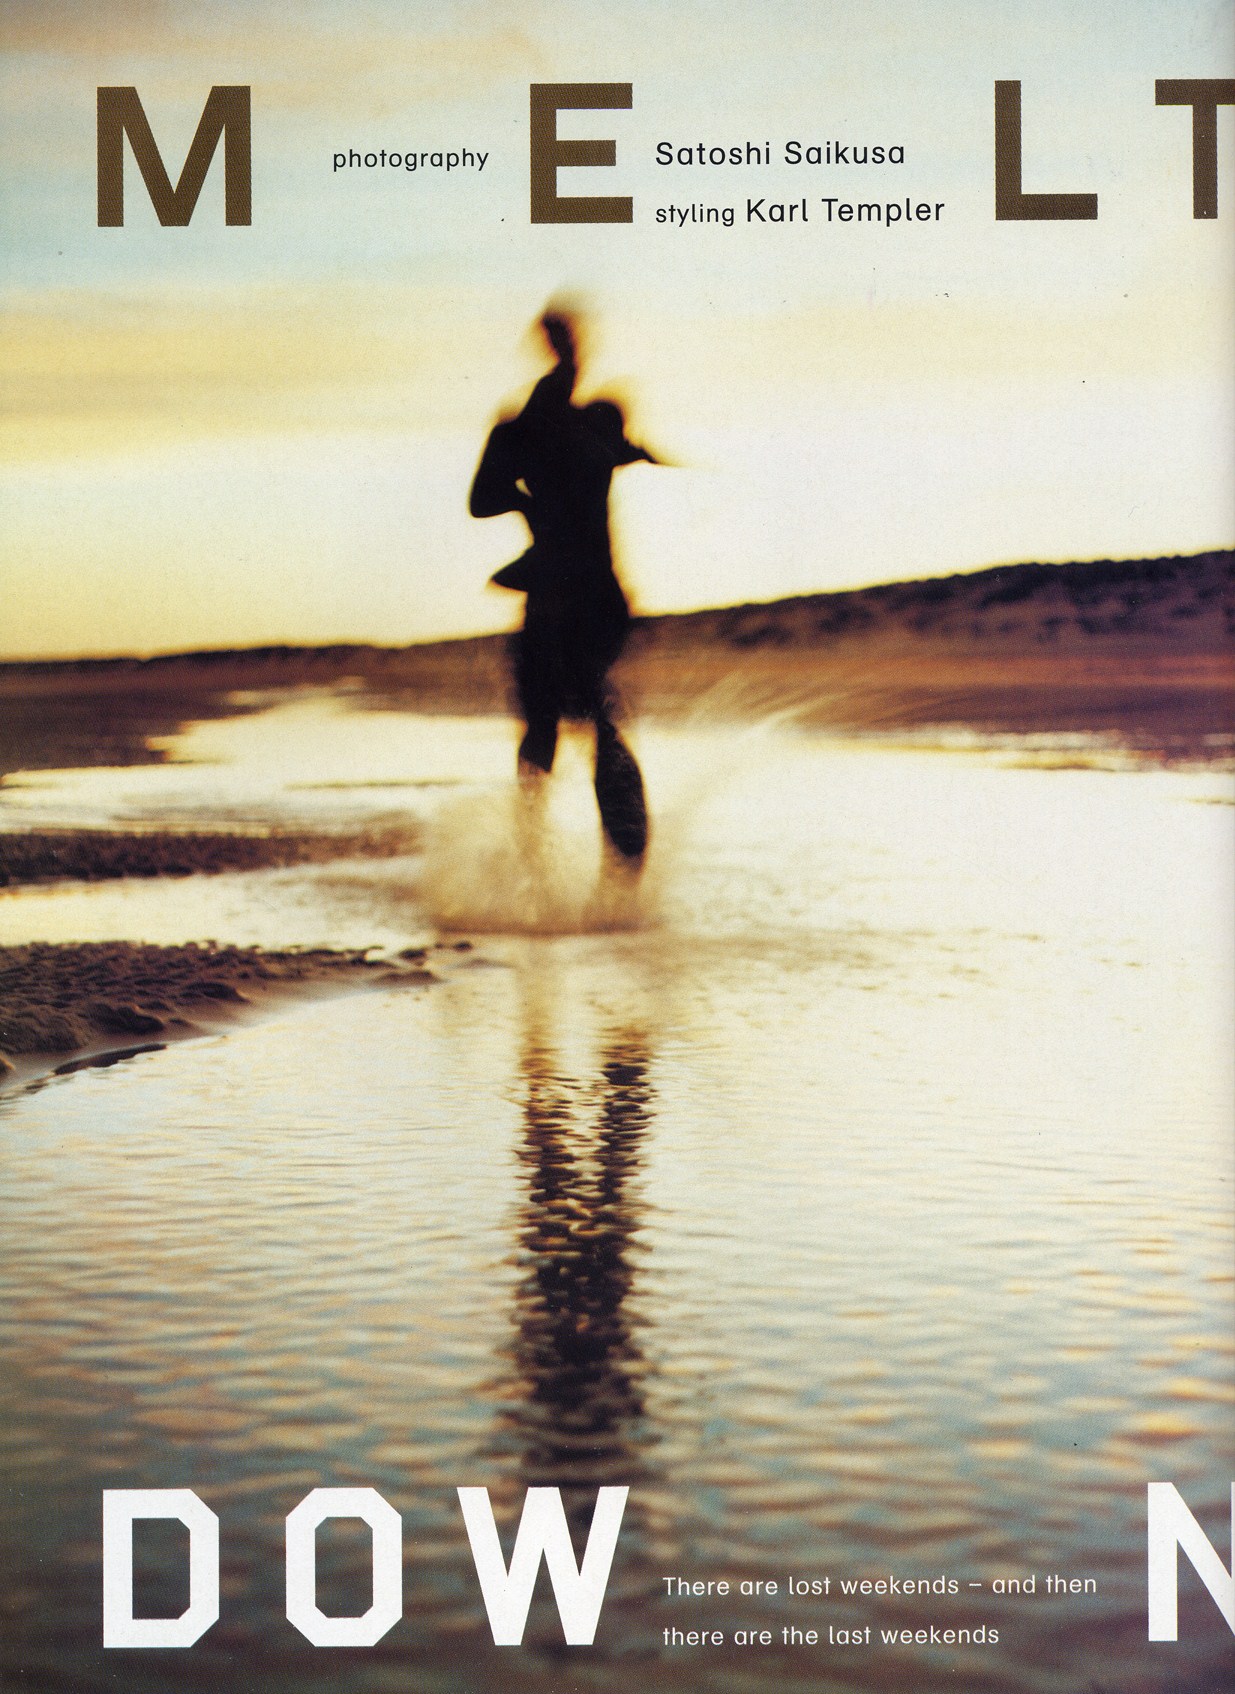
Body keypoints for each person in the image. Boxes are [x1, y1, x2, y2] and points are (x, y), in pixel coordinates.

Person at [469, 311, 656, 862]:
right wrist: (531, 504)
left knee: (555, 722)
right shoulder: (568, 429)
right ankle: (573, 855)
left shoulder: (565, 429)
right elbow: (482, 500)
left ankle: (544, 851)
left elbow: (483, 499)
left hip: (573, 593)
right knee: (581, 716)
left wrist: (528, 503)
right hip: (583, 593)